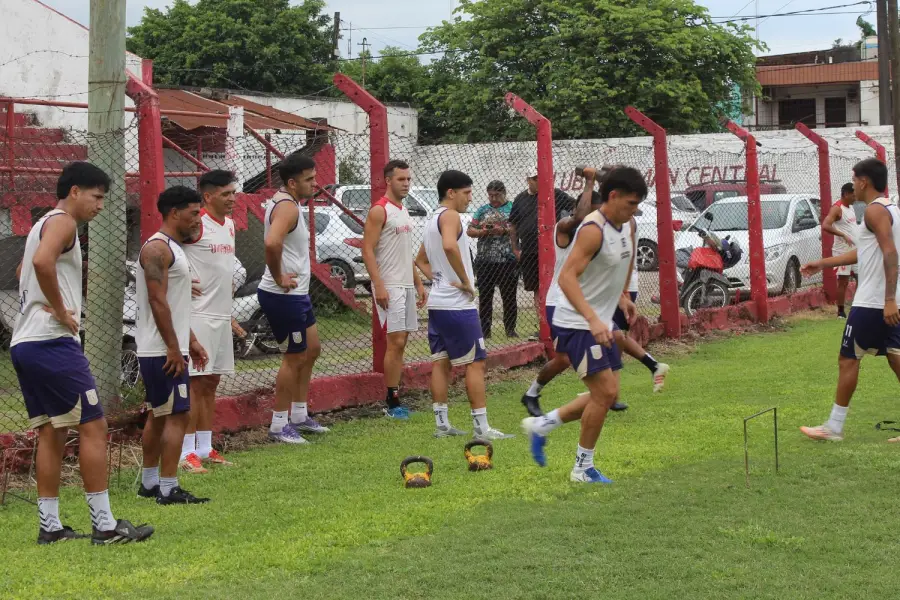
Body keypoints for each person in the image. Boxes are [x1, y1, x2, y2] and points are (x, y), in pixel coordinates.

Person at [12, 162, 153, 544]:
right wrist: (59, 308)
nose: (100, 205)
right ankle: (105, 526)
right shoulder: (63, 222)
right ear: (75, 191)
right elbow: (41, 264)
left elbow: (28, 266)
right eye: (97, 196)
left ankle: (50, 527)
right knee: (94, 426)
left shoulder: (41, 225)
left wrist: (45, 299)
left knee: (51, 433)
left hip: (25, 343)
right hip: (52, 341)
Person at [522, 166, 647, 483]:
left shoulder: (627, 224)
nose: (635, 210)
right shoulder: (592, 229)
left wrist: (622, 296)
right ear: (613, 196)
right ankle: (582, 468)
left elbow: (623, 259)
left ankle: (543, 425)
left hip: (597, 320)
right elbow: (566, 278)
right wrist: (592, 318)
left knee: (607, 392)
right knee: (606, 393)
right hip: (577, 322)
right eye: (631, 203)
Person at [520, 167, 669, 417]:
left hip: (589, 302)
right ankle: (533, 394)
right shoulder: (569, 226)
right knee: (563, 360)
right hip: (562, 301)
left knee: (613, 336)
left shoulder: (610, 228)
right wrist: (590, 181)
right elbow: (579, 219)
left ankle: (633, 377)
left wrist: (622, 297)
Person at [799, 159, 900, 442]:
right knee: (896, 359)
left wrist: (888, 299)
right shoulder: (890, 208)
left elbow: (890, 253)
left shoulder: (874, 211)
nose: (852, 184)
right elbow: (866, 253)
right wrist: (822, 263)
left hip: (873, 303)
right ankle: (833, 426)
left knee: (848, 359)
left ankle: (833, 426)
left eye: (854, 179)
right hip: (889, 302)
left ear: (864, 181)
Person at [415, 170, 514, 440]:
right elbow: (449, 246)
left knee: (441, 362)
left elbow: (421, 259)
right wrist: (464, 281)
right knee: (476, 363)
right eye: (467, 193)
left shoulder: (432, 218)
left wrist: (438, 280)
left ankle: (442, 424)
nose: (470, 198)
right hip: (458, 305)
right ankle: (482, 428)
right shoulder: (449, 216)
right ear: (451, 193)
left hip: (439, 303)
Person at [137, 186, 210, 505]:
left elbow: (175, 302)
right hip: (160, 349)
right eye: (194, 213)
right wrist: (172, 347)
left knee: (159, 415)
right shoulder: (157, 248)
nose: (198, 219)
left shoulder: (173, 248)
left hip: (167, 345)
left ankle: (150, 483)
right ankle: (168, 488)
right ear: (173, 213)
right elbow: (156, 299)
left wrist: (190, 340)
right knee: (179, 414)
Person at [257, 154, 329, 443]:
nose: (315, 183)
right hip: (282, 295)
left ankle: (299, 415)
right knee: (294, 356)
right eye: (309, 179)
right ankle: (278, 424)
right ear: (291, 182)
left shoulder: (288, 203)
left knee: (312, 350)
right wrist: (278, 277)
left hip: (296, 294)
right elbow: (272, 243)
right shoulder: (287, 207)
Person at [179, 170, 246, 473]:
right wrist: (177, 280)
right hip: (198, 315)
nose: (232, 198)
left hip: (221, 315)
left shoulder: (229, 225)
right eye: (226, 193)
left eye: (234, 192)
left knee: (211, 382)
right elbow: (165, 250)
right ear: (208, 196)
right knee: (195, 383)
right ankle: (185, 451)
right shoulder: (195, 225)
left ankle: (205, 448)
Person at [362, 159, 427, 420]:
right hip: (390, 284)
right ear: (388, 180)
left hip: (406, 284)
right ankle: (391, 400)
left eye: (408, 179)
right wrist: (378, 284)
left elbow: (405, 253)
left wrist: (419, 282)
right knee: (395, 341)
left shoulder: (403, 210)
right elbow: (367, 249)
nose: (406, 184)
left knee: (403, 343)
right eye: (401, 179)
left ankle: (396, 395)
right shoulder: (379, 210)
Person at [509, 166, 576, 320]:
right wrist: (515, 248)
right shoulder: (520, 199)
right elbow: (512, 224)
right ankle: (543, 323)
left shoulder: (555, 194)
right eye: (536, 178)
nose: (540, 181)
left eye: (541, 177)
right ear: (529, 180)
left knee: (556, 284)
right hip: (530, 250)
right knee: (537, 289)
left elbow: (574, 208)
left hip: (552, 250)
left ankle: (559, 320)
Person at [468, 180, 519, 339]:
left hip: (507, 259)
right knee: (485, 297)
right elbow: (470, 230)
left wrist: (502, 230)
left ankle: (510, 329)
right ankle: (485, 331)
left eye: (497, 195)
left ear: (504, 193)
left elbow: (516, 228)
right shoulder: (482, 210)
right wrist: (483, 231)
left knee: (509, 296)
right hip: (485, 259)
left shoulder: (512, 208)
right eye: (490, 195)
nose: (493, 199)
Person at [821, 183, 858, 319]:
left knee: (861, 277)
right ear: (846, 194)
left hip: (855, 249)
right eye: (853, 195)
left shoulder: (852, 208)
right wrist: (842, 234)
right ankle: (841, 312)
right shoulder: (837, 208)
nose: (855, 197)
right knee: (843, 281)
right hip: (842, 250)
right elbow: (825, 225)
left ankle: (857, 307)